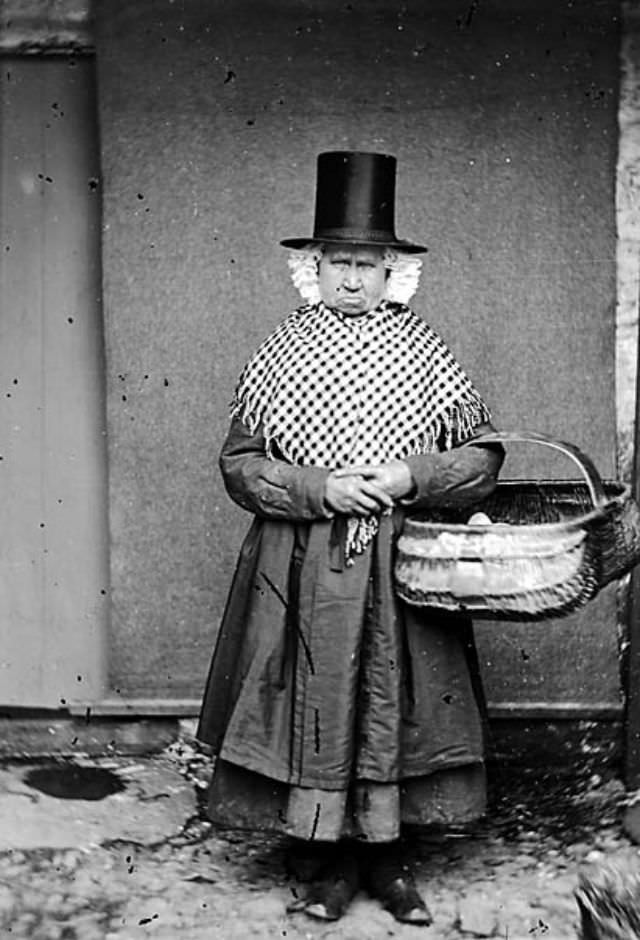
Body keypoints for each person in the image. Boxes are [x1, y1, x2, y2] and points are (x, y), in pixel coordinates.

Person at [197, 151, 504, 926]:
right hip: (301, 565)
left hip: (399, 567)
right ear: (315, 268)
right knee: (314, 698)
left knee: (391, 701)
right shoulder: (280, 351)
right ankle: (326, 860)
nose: (353, 281)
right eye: (340, 263)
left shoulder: (426, 352)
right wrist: (318, 487)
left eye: (367, 265)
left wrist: (407, 479)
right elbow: (239, 466)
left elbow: (481, 459)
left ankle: (388, 860)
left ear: (392, 272)